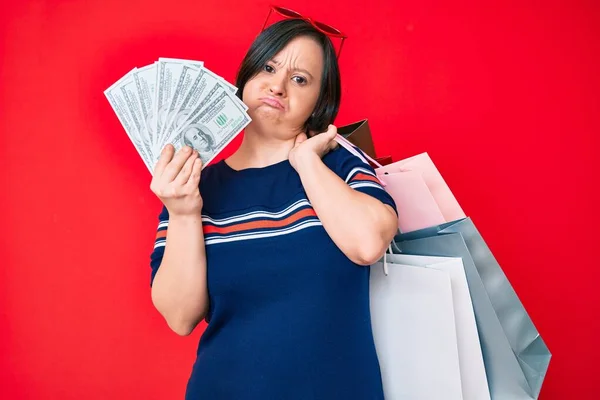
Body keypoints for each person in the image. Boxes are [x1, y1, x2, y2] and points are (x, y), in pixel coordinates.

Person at [148, 18, 399, 400]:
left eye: (300, 79)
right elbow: (181, 318)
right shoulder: (194, 186)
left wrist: (306, 163)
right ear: (246, 77)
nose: (277, 86)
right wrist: (183, 213)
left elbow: (368, 244)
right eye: (268, 68)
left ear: (320, 102)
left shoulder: (340, 165)